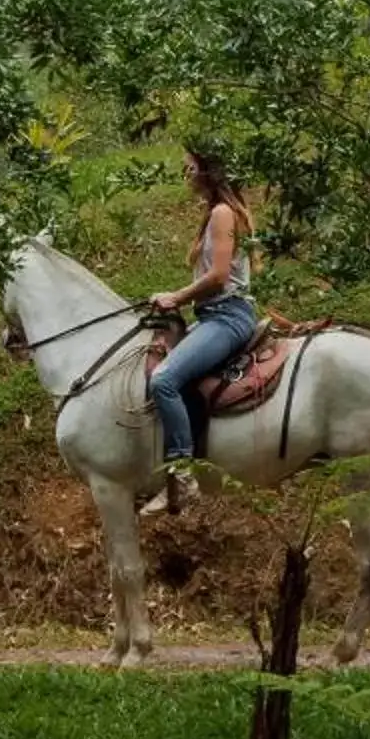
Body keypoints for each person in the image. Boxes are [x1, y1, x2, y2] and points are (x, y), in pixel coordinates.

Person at [140, 147, 259, 517]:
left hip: (227, 317)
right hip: (213, 315)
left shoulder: (223, 213)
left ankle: (182, 475)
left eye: (190, 168)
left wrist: (176, 296)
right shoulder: (217, 213)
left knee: (163, 380)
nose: (185, 173)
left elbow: (220, 277)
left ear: (208, 172)